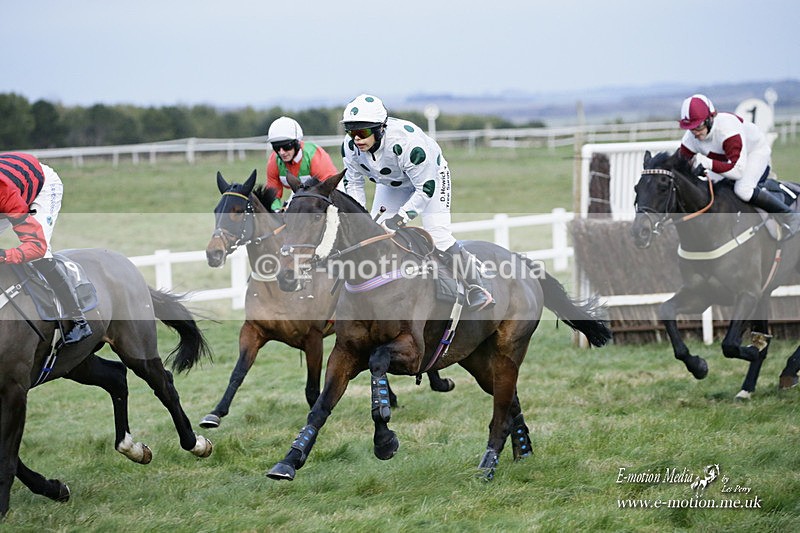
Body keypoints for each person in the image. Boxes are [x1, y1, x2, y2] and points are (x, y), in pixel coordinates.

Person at [340, 94, 494, 311]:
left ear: (380, 129)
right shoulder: (349, 147)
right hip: (392, 183)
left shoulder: (407, 144)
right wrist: (360, 219)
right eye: (351, 131)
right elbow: (353, 183)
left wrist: (401, 218)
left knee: (438, 234)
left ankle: (476, 287)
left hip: (430, 180)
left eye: (363, 132)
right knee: (374, 235)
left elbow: (426, 188)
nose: (356, 138)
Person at [0, 152, 92, 344]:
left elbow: (37, 247)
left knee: (39, 257)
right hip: (15, 180)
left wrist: (5, 255)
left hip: (42, 186)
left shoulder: (6, 195)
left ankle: (79, 320)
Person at [678, 94, 800, 236]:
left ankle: (790, 215)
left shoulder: (727, 130)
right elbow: (679, 164)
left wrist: (708, 163)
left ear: (710, 119)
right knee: (708, 190)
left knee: (743, 190)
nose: (695, 133)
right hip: (727, 161)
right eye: (690, 128)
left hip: (753, 153)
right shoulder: (690, 138)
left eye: (698, 126)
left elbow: (737, 171)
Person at [265, 116, 339, 211]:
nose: (281, 152)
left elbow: (329, 190)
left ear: (297, 143)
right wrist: (276, 211)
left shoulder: (314, 156)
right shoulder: (274, 161)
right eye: (276, 147)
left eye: (286, 146)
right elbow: (273, 195)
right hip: (301, 193)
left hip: (332, 191)